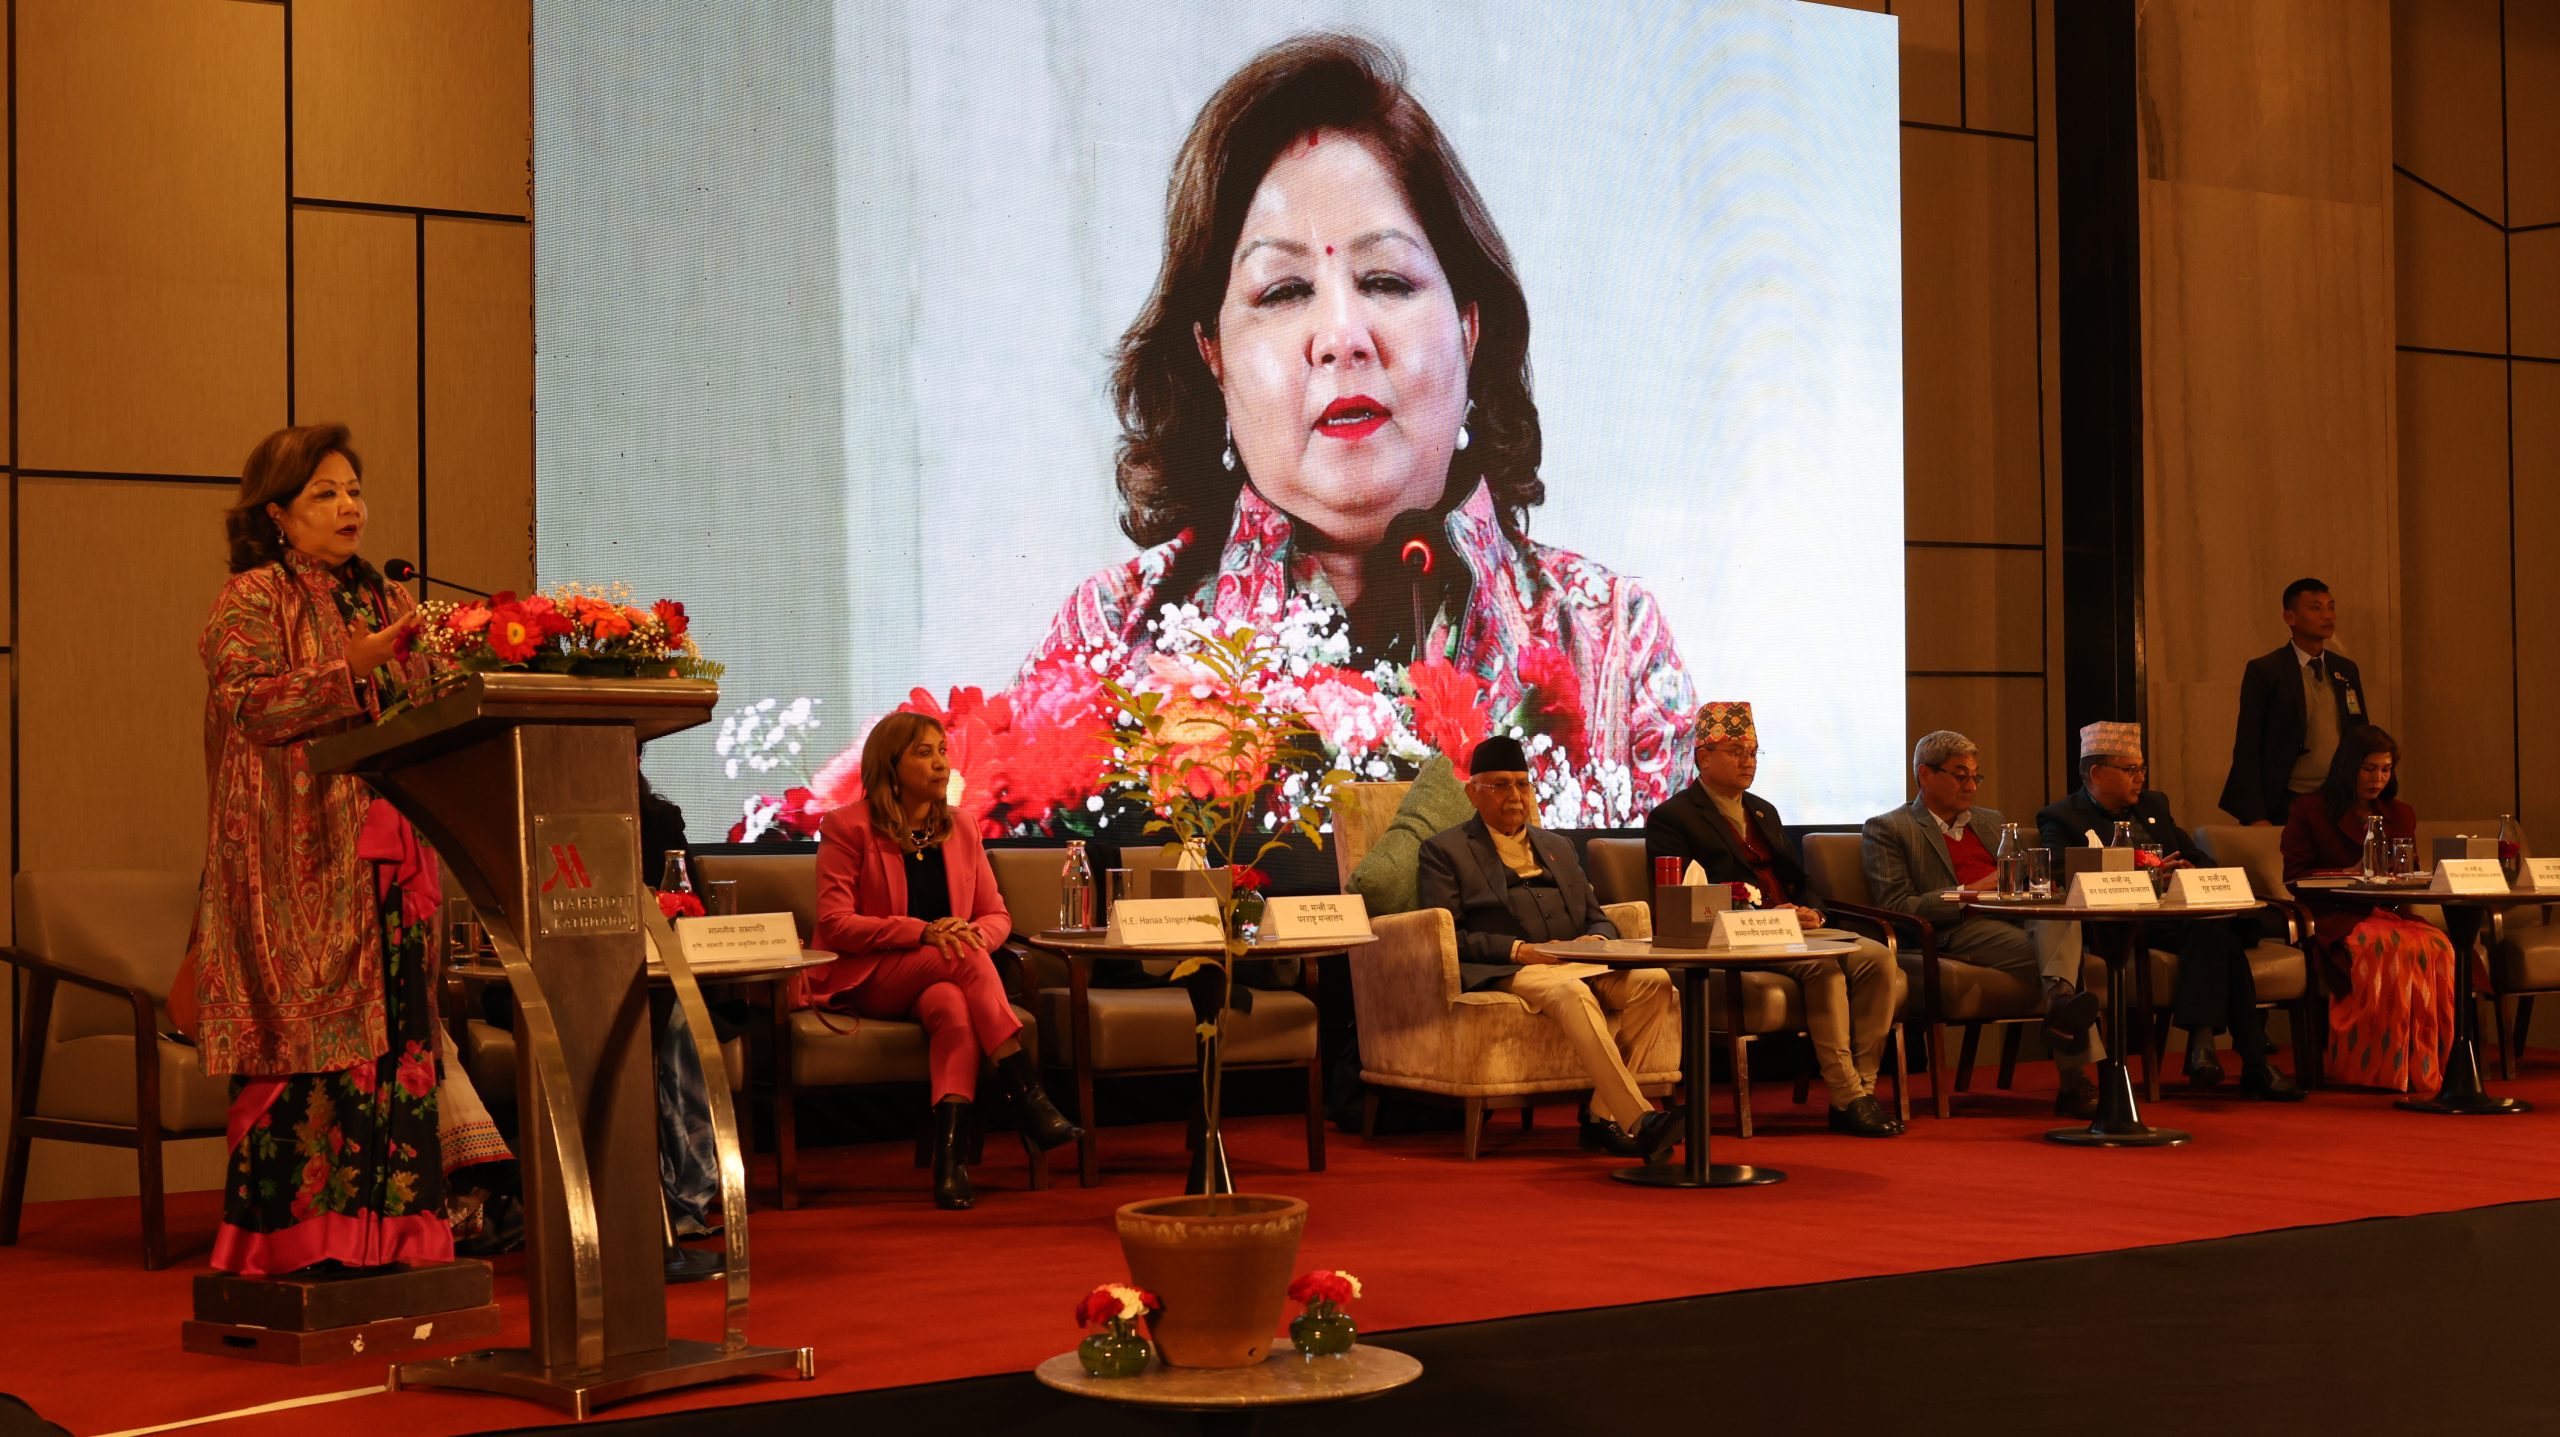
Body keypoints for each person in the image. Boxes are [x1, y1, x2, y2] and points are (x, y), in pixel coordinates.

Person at [1012, 33, 1694, 825]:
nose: (1342, 336)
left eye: (1386, 280)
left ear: (1469, 327)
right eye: (1283, 291)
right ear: (1211, 355)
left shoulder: (1613, 645)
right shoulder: (1108, 640)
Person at [191, 422, 449, 1275]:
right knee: (307, 1064)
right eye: (325, 493)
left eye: (355, 491)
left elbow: (414, 708)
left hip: (383, 855)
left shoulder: (379, 595)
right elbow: (249, 703)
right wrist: (352, 666)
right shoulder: (250, 597)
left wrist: (430, 663)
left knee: (394, 1051)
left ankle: (392, 1241)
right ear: (277, 513)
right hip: (293, 864)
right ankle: (297, 1248)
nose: (348, 507)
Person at [798, 711, 1080, 1209]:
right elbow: (836, 924)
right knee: (962, 956)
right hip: (871, 976)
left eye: (942, 752)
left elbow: (996, 915)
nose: (941, 764)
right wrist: (921, 931)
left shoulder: (963, 827)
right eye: (924, 753)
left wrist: (970, 934)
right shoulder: (847, 827)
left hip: (945, 973)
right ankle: (1026, 1095)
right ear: (890, 765)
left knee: (952, 1005)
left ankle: (950, 1163)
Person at [1416, 737, 1683, 1161]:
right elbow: (1447, 932)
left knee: (1655, 981)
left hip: (1580, 961)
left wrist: (1597, 941)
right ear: (1473, 793)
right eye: (1500, 785)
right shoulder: (1444, 851)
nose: (1515, 796)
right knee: (1571, 993)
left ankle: (1599, 1116)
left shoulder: (1557, 846)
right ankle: (1638, 1119)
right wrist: (1520, 950)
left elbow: (1597, 916)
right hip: (1514, 967)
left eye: (1522, 784)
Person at [1644, 702, 1902, 1136]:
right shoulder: (1673, 818)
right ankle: (1845, 1093)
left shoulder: (1763, 810)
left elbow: (1798, 880)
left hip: (1794, 930)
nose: (1748, 762)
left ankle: (1864, 1088)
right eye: (1736, 752)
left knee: (1877, 958)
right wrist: (1760, 913)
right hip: (1736, 937)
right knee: (1822, 968)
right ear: (1703, 756)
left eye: (1753, 752)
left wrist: (1812, 911)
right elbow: (1682, 899)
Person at [2037, 722, 2302, 1100]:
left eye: (2142, 768)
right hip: (2121, 926)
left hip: (2179, 920)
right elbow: (2059, 872)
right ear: (2096, 774)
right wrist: (2142, 874)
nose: (2140, 778)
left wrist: (2190, 872)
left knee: (2214, 928)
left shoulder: (2153, 805)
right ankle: (2241, 1057)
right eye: (2130, 769)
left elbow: (2200, 859)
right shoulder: (2062, 816)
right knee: (2220, 935)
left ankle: (2209, 1044)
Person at [1861, 731, 2104, 1118]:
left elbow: (2022, 878)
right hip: (1957, 927)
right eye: (1960, 776)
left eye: (1976, 776)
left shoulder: (1991, 821)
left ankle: (2061, 1006)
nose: (1971, 786)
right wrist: (1970, 892)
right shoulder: (1890, 828)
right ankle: (2074, 1078)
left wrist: (2039, 886)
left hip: (2017, 916)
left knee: (2062, 917)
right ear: (1925, 774)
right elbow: (1896, 905)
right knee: (2061, 963)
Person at [2281, 726, 2461, 1092]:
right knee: (2387, 947)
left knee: (2439, 945)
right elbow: (2294, 877)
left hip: (2389, 910)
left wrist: (2405, 875)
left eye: (2386, 769)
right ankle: (2376, 1064)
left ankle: (2427, 1060)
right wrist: (2347, 874)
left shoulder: (2401, 813)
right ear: (2348, 767)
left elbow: (2409, 871)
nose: (2378, 778)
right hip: (2335, 915)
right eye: (2369, 769)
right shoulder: (2309, 810)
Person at [2220, 577, 2372, 826]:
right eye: (2316, 608)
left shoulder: (2345, 669)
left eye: (2331, 607)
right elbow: (2248, 745)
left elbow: (2361, 735)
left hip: (2336, 797)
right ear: (2290, 617)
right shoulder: (2267, 670)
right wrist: (2256, 816)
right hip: (2284, 799)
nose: (2328, 616)